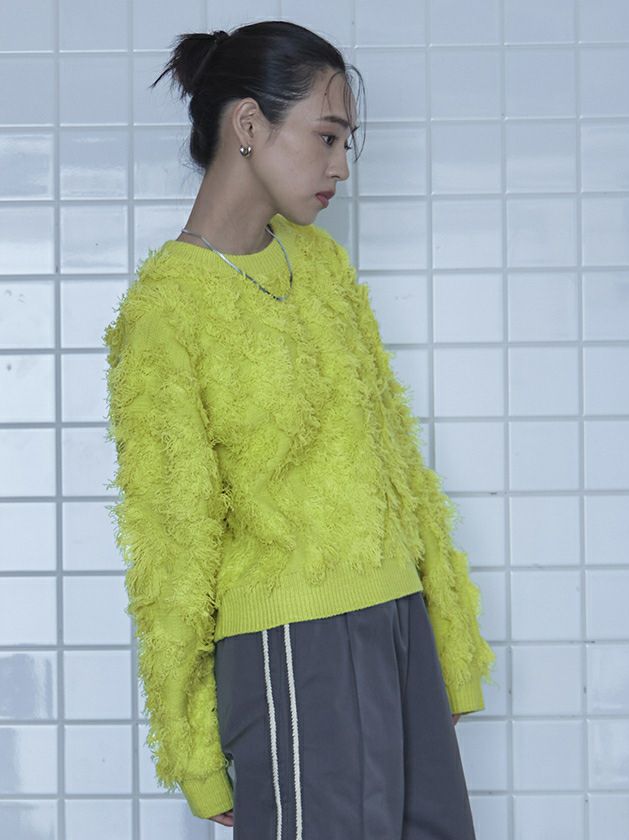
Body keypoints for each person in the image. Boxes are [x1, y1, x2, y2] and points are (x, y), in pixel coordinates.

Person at [103, 19, 496, 840]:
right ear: (249, 124)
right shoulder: (165, 313)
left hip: (397, 624)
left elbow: (394, 458)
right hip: (290, 648)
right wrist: (192, 746)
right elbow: (172, 544)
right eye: (327, 137)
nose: (341, 166)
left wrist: (444, 646)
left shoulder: (316, 263)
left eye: (345, 142)